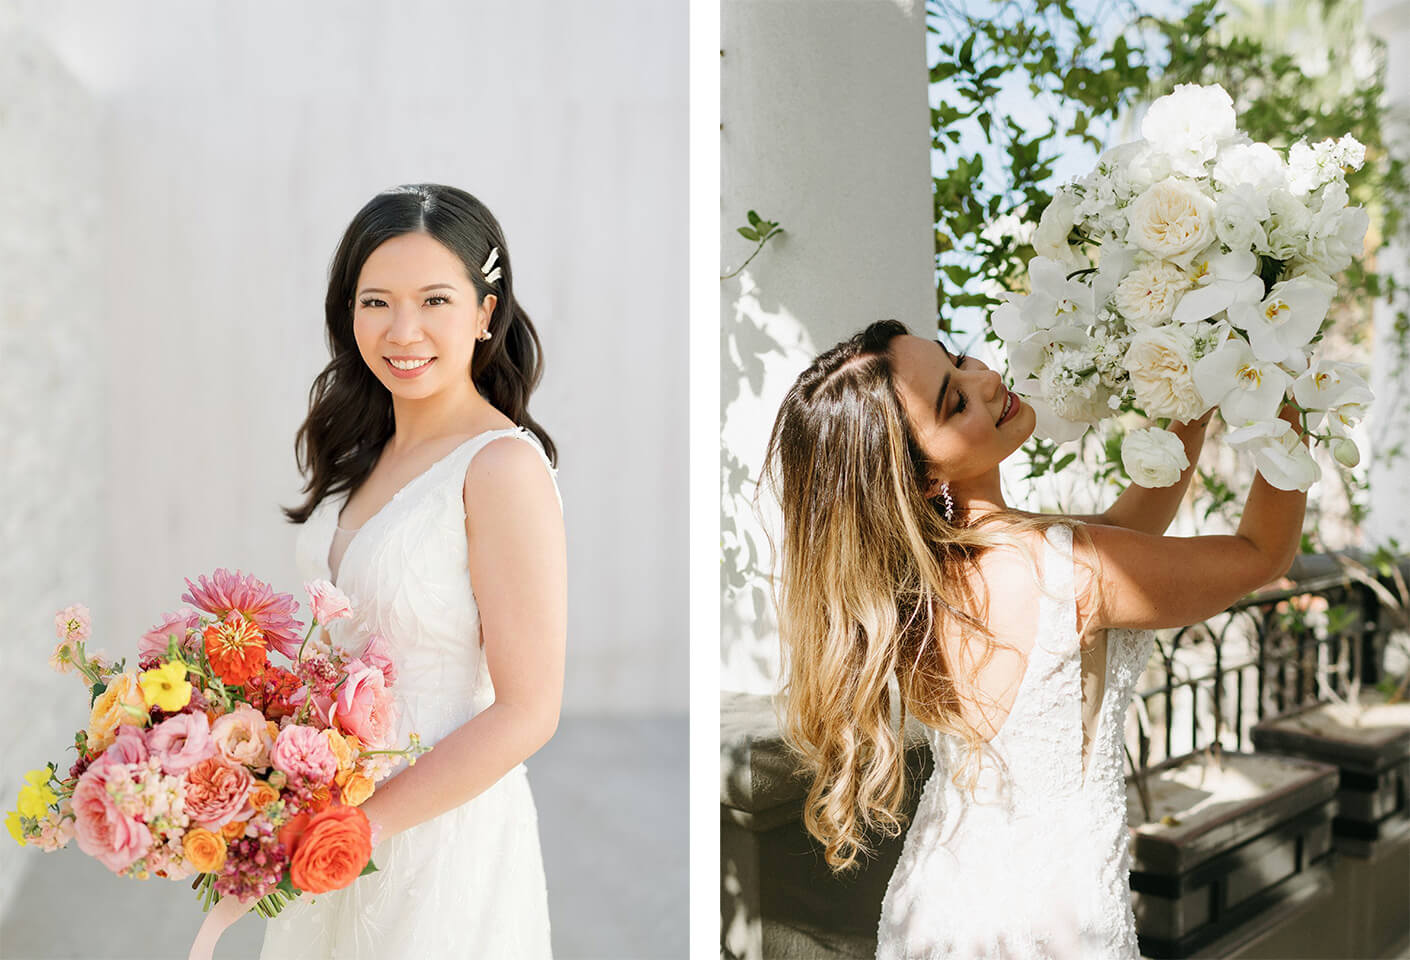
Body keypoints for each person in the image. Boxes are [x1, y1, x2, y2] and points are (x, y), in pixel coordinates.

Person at [761, 319, 1308, 959]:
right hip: (1049, 919)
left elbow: (1123, 534)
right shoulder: (1068, 568)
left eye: (958, 358)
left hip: (941, 904)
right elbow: (1261, 554)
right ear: (920, 474)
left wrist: (1190, 399)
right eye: (955, 401)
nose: (986, 378)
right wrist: (1285, 399)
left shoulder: (919, 580)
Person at [189, 184, 565, 959]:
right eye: (375, 302)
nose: (403, 331)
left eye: (434, 300)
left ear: (485, 313)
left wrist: (362, 826)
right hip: (325, 811)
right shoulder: (363, 450)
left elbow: (529, 709)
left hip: (435, 832)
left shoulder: (500, 468)